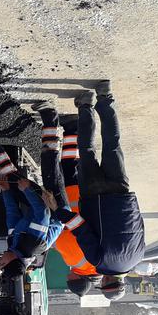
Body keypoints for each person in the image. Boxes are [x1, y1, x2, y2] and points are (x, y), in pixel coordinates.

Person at [48, 80, 145, 301]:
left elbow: (139, 224)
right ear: (106, 283)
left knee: (113, 144)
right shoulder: (98, 261)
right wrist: (58, 212)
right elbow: (80, 228)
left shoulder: (138, 257)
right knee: (87, 150)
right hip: (94, 197)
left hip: (121, 194)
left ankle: (105, 97)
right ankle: (85, 106)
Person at [32, 103, 103, 298]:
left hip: (85, 199)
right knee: (58, 165)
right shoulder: (76, 262)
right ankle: (58, 123)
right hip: (69, 199)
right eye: (69, 279)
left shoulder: (97, 263)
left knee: (70, 162)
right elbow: (60, 237)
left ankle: (72, 127)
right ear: (74, 279)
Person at [0, 138, 63, 277]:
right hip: (55, 209)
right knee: (51, 173)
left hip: (38, 210)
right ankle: (52, 145)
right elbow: (43, 214)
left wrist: (6, 191)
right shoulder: (31, 246)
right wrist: (27, 190)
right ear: (13, 261)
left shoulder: (13, 246)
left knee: (10, 180)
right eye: (2, 264)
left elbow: (12, 214)